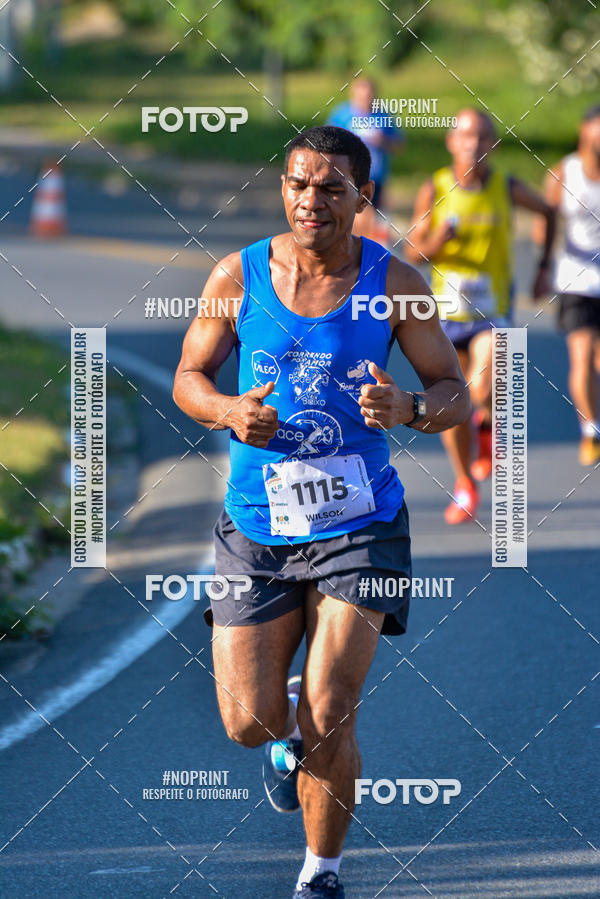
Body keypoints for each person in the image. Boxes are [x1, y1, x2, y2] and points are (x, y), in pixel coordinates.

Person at [173, 125, 469, 898]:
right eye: (299, 185)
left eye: (332, 188)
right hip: (257, 526)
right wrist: (229, 410)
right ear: (283, 189)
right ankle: (285, 741)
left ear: (362, 197)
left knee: (332, 706)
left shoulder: (395, 280)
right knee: (248, 722)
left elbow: (454, 392)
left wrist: (410, 407)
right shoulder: (237, 275)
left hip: (359, 523)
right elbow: (189, 376)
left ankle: (321, 873)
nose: (312, 201)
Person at [405, 108, 556, 524]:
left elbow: (549, 211)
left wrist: (544, 267)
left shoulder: (506, 186)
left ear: (493, 145)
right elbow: (412, 251)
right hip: (446, 315)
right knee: (454, 400)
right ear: (452, 142)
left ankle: (485, 426)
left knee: (482, 381)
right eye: (466, 136)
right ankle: (464, 482)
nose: (474, 144)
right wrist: (437, 240)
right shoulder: (435, 188)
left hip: (492, 313)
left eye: (483, 137)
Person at [533, 104, 600, 465]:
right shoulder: (564, 173)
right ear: (585, 130)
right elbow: (545, 219)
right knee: (583, 354)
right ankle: (591, 431)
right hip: (577, 280)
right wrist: (544, 266)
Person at [327, 78, 404, 243]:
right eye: (362, 96)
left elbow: (398, 144)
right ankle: (352, 248)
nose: (366, 100)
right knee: (358, 217)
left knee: (379, 222)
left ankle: (368, 251)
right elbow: (328, 144)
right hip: (350, 177)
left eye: (369, 96)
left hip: (377, 177)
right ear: (353, 95)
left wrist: (383, 141)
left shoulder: (382, 115)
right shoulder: (342, 115)